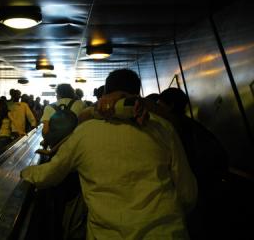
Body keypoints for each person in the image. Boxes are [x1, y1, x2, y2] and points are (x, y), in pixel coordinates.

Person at [22, 69, 197, 239]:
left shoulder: (85, 132)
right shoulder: (163, 128)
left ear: (106, 92)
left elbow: (49, 175)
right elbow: (187, 193)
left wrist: (21, 172)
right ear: (138, 93)